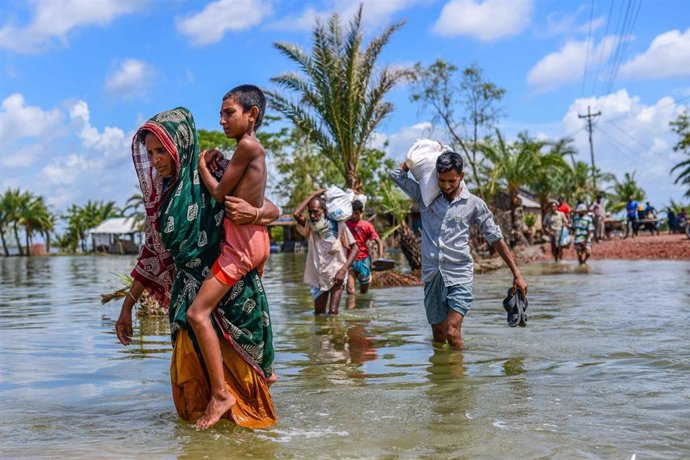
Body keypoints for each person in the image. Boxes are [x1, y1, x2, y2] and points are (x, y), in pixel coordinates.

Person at [114, 107, 279, 430]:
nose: (156, 159)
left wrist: (256, 214)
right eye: (150, 153)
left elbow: (268, 206)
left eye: (162, 150)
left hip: (231, 299)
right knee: (192, 409)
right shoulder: (163, 196)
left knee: (249, 415)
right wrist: (127, 306)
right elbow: (152, 254)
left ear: (181, 145)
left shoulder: (213, 172)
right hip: (188, 298)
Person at [190, 85, 271, 429]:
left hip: (241, 246)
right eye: (221, 113)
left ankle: (221, 394)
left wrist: (199, 165)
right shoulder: (246, 149)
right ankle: (262, 375)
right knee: (244, 308)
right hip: (256, 239)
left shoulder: (248, 145)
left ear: (251, 115)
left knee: (198, 312)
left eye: (229, 113)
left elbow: (220, 193)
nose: (221, 119)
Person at [390, 151, 527, 350]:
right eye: (442, 180)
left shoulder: (474, 204)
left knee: (452, 331)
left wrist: (517, 274)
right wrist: (416, 156)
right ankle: (442, 378)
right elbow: (396, 174)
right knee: (438, 335)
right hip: (432, 275)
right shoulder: (425, 195)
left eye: (452, 181)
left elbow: (495, 238)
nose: (446, 186)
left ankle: (459, 379)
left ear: (461, 176)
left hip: (459, 274)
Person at [293, 190, 358, 315]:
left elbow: (355, 248)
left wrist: (343, 270)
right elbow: (296, 214)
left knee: (333, 312)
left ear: (325, 211)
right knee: (319, 313)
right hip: (318, 277)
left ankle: (336, 334)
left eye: (316, 211)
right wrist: (313, 195)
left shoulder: (339, 226)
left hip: (336, 275)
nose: (312, 215)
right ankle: (323, 335)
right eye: (310, 211)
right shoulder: (310, 227)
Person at [346, 199, 384, 295]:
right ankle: (352, 309)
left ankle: (363, 309)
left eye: (356, 213)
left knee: (364, 292)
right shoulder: (345, 224)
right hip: (350, 260)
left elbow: (379, 242)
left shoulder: (367, 226)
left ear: (361, 212)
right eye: (352, 213)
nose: (354, 216)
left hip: (364, 261)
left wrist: (380, 258)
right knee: (350, 291)